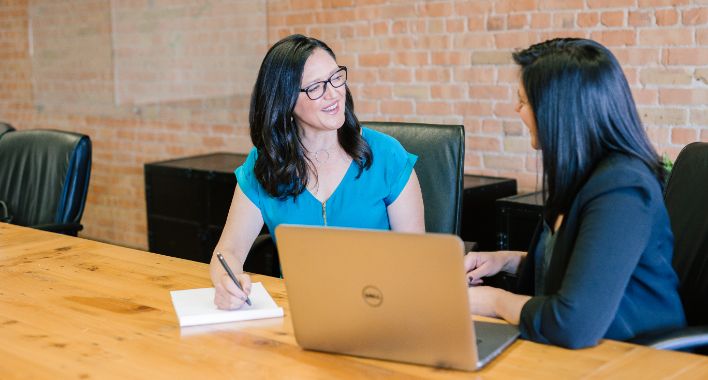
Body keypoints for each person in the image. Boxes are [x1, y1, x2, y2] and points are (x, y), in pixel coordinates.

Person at [464, 38, 686, 348]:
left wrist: (494, 301)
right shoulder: (582, 174)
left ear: (559, 111)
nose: (516, 109)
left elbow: (572, 323)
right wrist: (506, 260)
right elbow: (581, 263)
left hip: (635, 355)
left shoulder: (623, 189)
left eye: (524, 101)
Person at [210, 34, 425, 310]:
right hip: (297, 314)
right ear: (285, 101)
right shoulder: (264, 166)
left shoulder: (387, 156)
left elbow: (417, 259)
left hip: (379, 309)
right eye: (315, 87)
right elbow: (227, 252)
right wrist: (226, 283)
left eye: (336, 78)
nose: (334, 93)